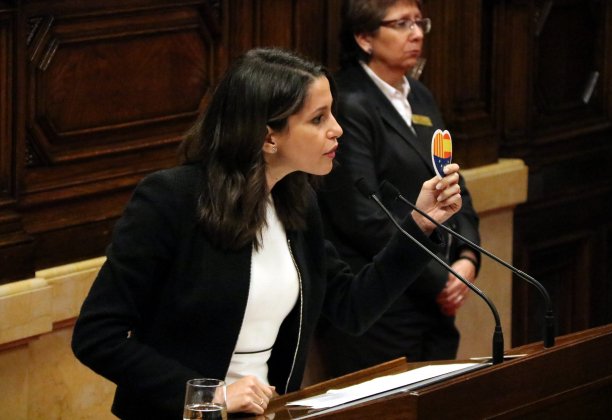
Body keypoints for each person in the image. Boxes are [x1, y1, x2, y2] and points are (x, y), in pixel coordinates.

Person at [71, 47, 463, 419]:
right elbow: (98, 335)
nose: (337, 130)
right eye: (318, 118)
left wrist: (420, 225)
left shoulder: (297, 203)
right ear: (267, 136)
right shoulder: (170, 200)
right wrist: (209, 395)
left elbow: (351, 308)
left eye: (333, 114)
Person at [316, 0, 481, 377]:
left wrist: (468, 257)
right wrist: (439, 276)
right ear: (364, 37)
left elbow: (453, 180)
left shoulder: (420, 96)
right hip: (379, 306)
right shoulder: (347, 102)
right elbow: (362, 215)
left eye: (420, 22)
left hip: (432, 300)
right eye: (402, 23)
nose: (417, 33)